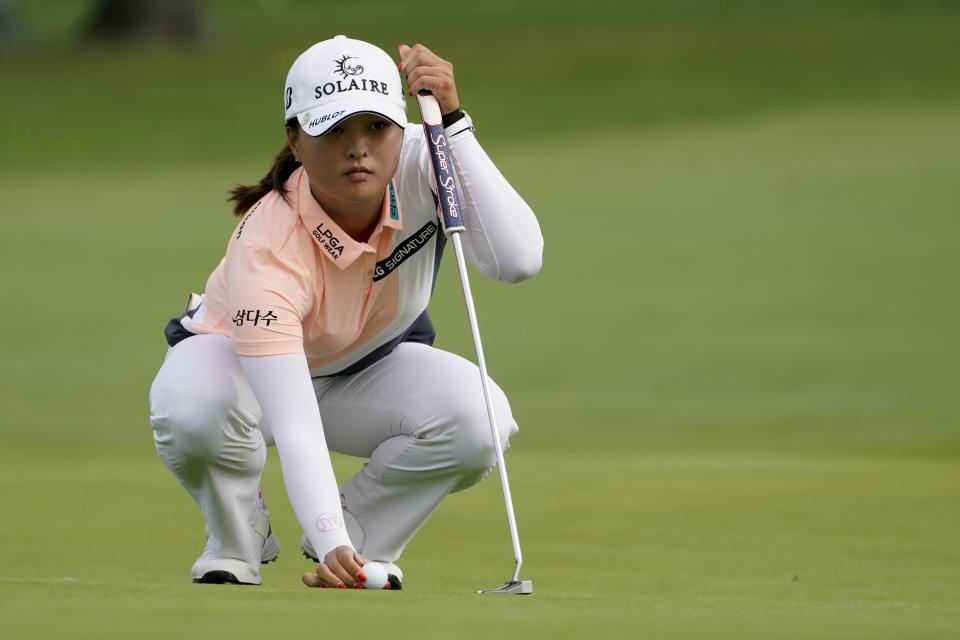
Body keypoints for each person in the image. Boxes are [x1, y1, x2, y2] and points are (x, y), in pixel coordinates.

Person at [148, 35, 543, 589]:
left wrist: (453, 125)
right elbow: (293, 421)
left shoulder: (424, 158)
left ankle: (359, 544)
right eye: (334, 130)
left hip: (361, 369)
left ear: (401, 128)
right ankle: (237, 539)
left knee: (480, 416)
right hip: (246, 378)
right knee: (191, 402)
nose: (358, 149)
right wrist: (324, 529)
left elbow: (517, 259)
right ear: (297, 140)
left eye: (376, 127)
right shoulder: (267, 243)